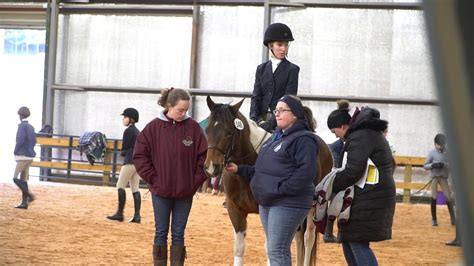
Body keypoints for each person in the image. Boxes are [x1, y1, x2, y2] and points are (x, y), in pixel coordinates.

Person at [227, 95, 318, 265]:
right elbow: (263, 170)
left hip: (286, 202)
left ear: (295, 114)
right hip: (268, 201)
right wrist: (240, 169)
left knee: (277, 249)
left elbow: (306, 173)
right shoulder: (275, 138)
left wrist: (281, 189)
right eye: (276, 110)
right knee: (276, 249)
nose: (277, 113)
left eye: (283, 110)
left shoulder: (304, 139)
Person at [133, 88, 208, 266]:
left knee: (178, 233)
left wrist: (194, 182)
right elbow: (140, 156)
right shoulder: (152, 128)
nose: (183, 113)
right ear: (169, 106)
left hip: (185, 192)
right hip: (160, 191)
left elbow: (203, 157)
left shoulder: (194, 128)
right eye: (180, 110)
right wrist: (153, 179)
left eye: (186, 110)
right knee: (160, 231)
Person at [327, 101, 396, 265]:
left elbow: (353, 171)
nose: (336, 136)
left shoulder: (360, 136)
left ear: (343, 126)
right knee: (349, 241)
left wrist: (331, 185)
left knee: (356, 242)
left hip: (368, 198)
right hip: (367, 196)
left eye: (334, 131)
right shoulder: (366, 134)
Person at [250, 22, 300, 133]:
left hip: (280, 120)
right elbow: (256, 96)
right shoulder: (261, 69)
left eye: (286, 45)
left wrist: (271, 123)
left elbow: (288, 99)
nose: (283, 49)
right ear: (270, 45)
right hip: (260, 119)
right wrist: (254, 119)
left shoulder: (292, 69)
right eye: (279, 45)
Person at [107, 108, 142, 223]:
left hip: (129, 161)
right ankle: (137, 216)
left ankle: (119, 213)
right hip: (138, 163)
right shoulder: (138, 132)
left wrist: (122, 152)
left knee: (120, 185)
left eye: (125, 117)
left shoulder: (128, 131)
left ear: (131, 119)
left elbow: (124, 149)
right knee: (135, 188)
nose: (123, 119)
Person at [423, 133, 455, 226]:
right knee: (434, 197)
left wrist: (444, 165)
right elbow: (425, 166)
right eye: (439, 145)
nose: (440, 147)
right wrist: (433, 165)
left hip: (443, 177)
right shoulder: (432, 153)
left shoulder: (448, 153)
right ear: (435, 144)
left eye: (442, 145)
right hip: (434, 177)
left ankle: (453, 219)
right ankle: (434, 219)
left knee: (448, 197)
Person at [13, 106, 36, 209]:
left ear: (20, 115)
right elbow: (34, 141)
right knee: (24, 179)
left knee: (15, 178)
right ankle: (24, 203)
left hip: (23, 156)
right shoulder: (31, 127)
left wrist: (15, 150)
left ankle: (29, 196)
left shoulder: (21, 126)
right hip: (30, 156)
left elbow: (20, 140)